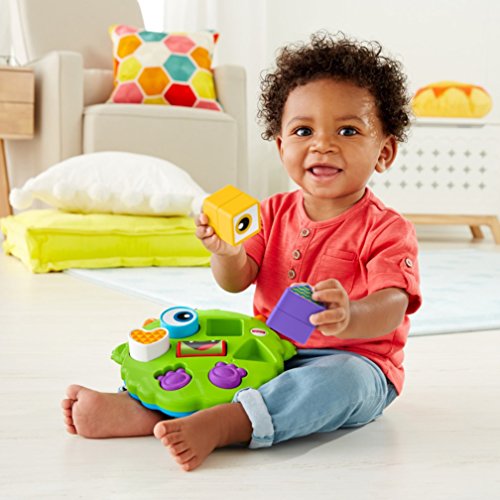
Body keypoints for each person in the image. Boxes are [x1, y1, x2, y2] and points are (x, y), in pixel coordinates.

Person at [62, 31, 422, 472]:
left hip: (353, 360)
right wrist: (227, 252)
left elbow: (392, 305)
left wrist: (351, 315)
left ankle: (230, 423)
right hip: (268, 349)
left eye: (348, 130)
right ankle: (145, 407)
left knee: (343, 383)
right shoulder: (268, 212)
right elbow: (234, 281)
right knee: (206, 341)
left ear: (384, 151)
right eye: (303, 130)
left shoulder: (387, 229)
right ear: (281, 146)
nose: (322, 144)